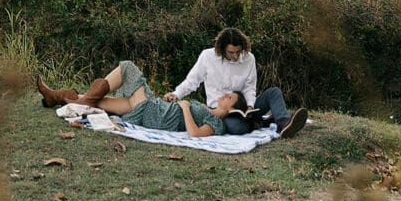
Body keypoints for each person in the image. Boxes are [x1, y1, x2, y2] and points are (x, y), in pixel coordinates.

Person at [163, 26, 307, 139]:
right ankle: (264, 122)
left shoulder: (249, 58)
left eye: (238, 51)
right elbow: (192, 81)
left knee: (274, 92)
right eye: (231, 52)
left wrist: (250, 106)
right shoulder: (207, 56)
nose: (236, 56)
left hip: (245, 106)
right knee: (237, 128)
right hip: (221, 110)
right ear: (221, 49)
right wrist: (177, 94)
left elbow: (250, 86)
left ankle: (283, 123)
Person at [37, 60, 246, 137]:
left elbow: (195, 134)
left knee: (128, 67)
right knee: (100, 101)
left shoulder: (217, 123)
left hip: (152, 114)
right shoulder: (208, 111)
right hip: (154, 109)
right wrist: (177, 101)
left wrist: (184, 108)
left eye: (230, 97)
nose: (225, 94)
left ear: (231, 108)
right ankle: (54, 96)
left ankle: (76, 101)